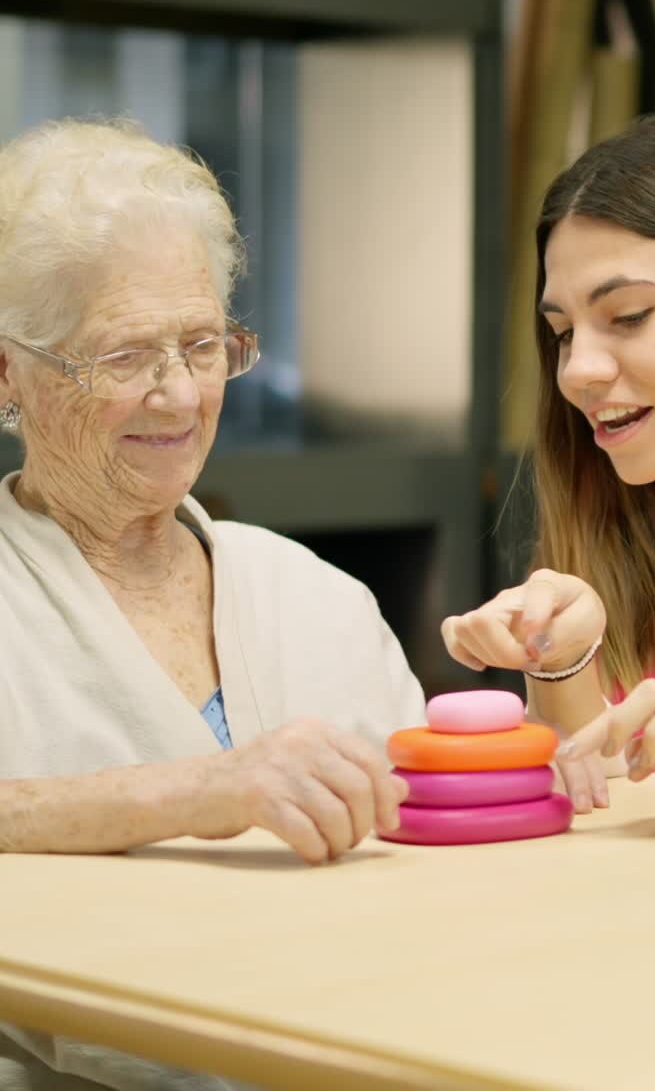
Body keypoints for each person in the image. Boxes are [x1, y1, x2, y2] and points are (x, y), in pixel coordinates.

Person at [0, 117, 426, 1090]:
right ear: (6, 373)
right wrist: (200, 792)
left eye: (202, 344)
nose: (180, 394)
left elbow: (433, 857)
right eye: (123, 356)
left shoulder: (315, 598)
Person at [442, 109, 655, 808]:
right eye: (562, 332)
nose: (577, 372)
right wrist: (561, 661)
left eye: (628, 316)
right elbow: (606, 811)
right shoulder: (631, 528)